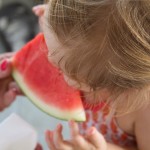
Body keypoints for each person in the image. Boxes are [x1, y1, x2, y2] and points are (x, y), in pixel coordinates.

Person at [32, 0, 150, 150]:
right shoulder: (82, 52)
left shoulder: (143, 109)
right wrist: (52, 19)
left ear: (111, 82)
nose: (48, 58)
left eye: (63, 69)